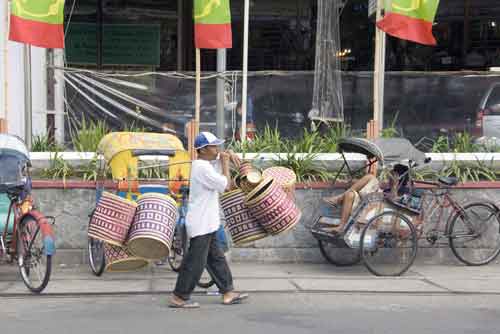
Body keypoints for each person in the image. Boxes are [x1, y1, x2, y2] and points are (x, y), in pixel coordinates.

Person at [169, 132, 248, 309]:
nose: (217, 149)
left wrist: (226, 155)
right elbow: (225, 185)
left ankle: (228, 292)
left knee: (217, 259)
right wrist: (226, 163)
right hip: (201, 223)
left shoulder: (205, 164)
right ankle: (179, 296)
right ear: (203, 150)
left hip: (208, 222)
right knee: (195, 263)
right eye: (213, 146)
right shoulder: (201, 168)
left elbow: (218, 160)